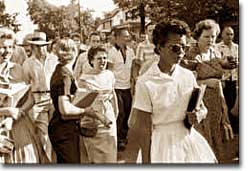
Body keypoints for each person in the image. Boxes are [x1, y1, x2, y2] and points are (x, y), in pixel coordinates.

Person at [128, 19, 217, 163]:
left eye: (184, 47)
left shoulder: (187, 75)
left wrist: (198, 115)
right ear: (159, 47)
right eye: (175, 48)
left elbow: (202, 109)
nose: (181, 53)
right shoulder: (145, 82)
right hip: (161, 146)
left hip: (188, 141)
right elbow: (143, 129)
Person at [181, 19, 234, 162]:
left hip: (216, 102)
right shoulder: (190, 55)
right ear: (197, 36)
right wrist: (204, 82)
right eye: (206, 36)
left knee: (216, 137)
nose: (210, 40)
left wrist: (226, 65)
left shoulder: (214, 52)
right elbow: (183, 82)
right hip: (199, 103)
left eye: (213, 36)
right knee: (202, 141)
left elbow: (219, 72)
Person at [48, 38, 104, 163]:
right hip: (63, 130)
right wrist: (86, 111)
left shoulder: (62, 71)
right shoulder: (64, 75)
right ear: (75, 52)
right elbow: (65, 109)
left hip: (64, 128)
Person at [0, 27, 49, 163]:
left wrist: (19, 111)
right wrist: (7, 111)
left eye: (10, 47)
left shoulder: (18, 69)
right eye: (3, 47)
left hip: (19, 123)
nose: (7, 52)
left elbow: (31, 97)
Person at [76, 45, 118, 163]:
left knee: (110, 152)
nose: (103, 61)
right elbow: (80, 103)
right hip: (92, 117)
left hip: (108, 115)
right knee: (95, 156)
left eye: (105, 58)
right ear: (91, 60)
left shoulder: (109, 75)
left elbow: (113, 94)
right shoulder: (84, 79)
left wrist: (115, 113)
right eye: (99, 58)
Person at [22, 31, 57, 162]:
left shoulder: (54, 59)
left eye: (42, 45)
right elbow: (25, 86)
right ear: (32, 47)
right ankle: (46, 163)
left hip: (53, 98)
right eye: (37, 46)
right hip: (37, 99)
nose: (40, 49)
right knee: (43, 135)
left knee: (55, 131)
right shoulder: (27, 63)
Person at [107, 28, 135, 151]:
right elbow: (109, 70)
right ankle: (119, 139)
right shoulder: (112, 52)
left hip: (127, 87)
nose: (127, 38)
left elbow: (133, 67)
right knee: (120, 113)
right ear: (117, 38)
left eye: (128, 36)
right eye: (125, 36)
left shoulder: (131, 51)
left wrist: (134, 80)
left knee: (128, 112)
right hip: (116, 87)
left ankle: (125, 136)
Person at [216, 26, 239, 134]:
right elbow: (217, 64)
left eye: (231, 34)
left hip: (235, 79)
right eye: (227, 34)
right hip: (223, 79)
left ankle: (235, 127)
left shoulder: (237, 47)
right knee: (225, 103)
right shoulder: (217, 48)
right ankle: (225, 127)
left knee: (235, 102)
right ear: (222, 35)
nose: (230, 36)